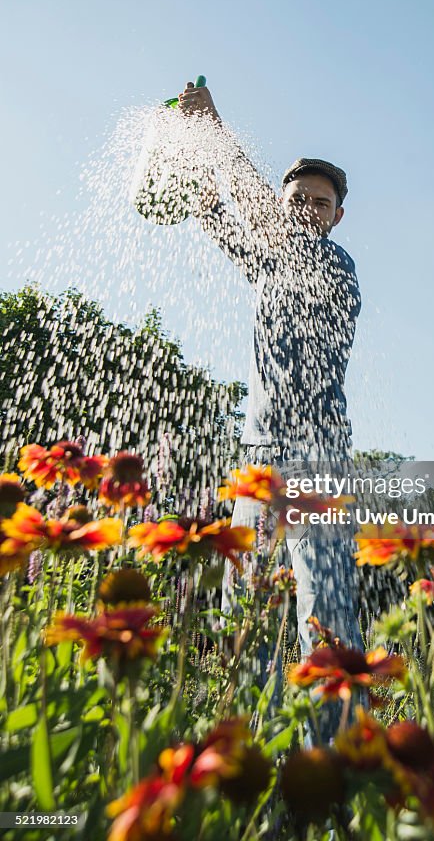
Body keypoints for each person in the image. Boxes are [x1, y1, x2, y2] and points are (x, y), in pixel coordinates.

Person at [174, 80, 364, 686]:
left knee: (325, 607)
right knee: (243, 602)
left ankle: (333, 758)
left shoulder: (335, 265)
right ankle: (253, 755)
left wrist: (214, 130)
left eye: (319, 202)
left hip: (318, 454)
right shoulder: (269, 258)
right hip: (259, 452)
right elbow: (220, 219)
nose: (307, 208)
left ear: (337, 216)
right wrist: (186, 169)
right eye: (298, 199)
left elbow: (256, 212)